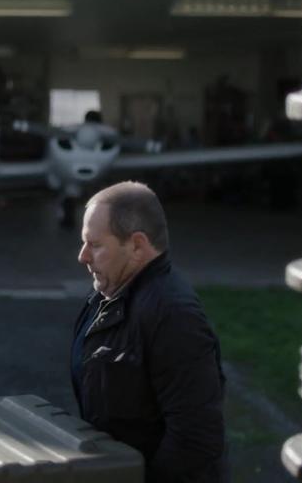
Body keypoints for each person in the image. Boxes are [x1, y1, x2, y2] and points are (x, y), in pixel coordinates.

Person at [71, 181, 227, 482]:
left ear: (137, 246)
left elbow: (195, 439)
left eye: (95, 244)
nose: (83, 256)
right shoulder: (108, 295)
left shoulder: (174, 316)